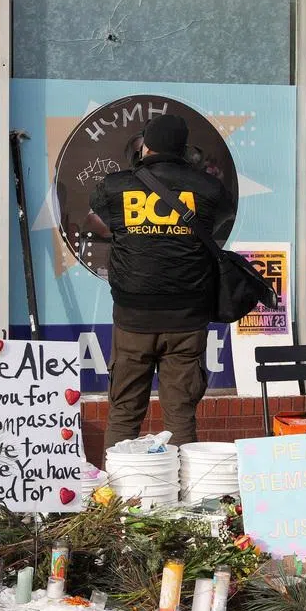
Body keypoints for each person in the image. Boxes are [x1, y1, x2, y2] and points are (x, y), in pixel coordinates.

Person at [89, 114, 233, 450]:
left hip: (132, 320)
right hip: (186, 320)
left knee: (124, 412)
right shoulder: (209, 189)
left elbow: (100, 211)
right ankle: (182, 497)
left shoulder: (115, 186)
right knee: (181, 415)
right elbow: (221, 216)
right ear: (184, 151)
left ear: (145, 146)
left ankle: (119, 494)